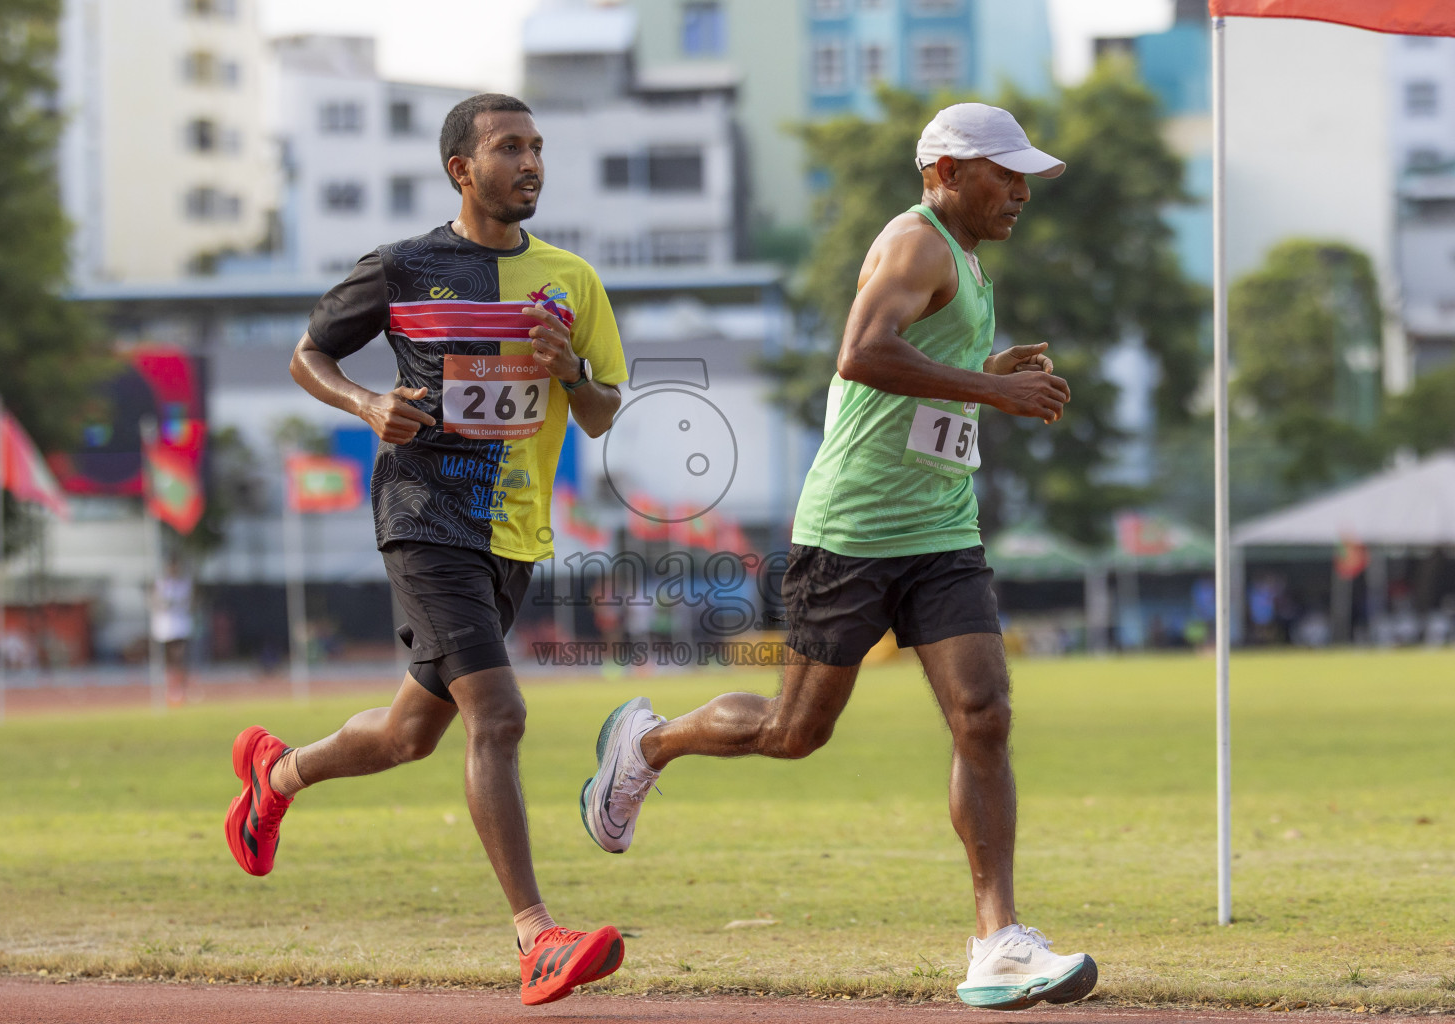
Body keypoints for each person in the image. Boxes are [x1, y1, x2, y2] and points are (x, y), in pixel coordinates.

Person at [580, 103, 1097, 1011]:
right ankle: (648, 743)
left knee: (983, 715)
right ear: (942, 170)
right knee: (795, 731)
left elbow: (921, 375)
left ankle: (997, 942)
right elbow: (862, 353)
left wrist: (987, 372)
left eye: (1025, 175)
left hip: (940, 530)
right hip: (853, 532)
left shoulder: (965, 261)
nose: (1020, 191)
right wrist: (994, 391)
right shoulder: (917, 241)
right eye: (1002, 172)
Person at [224, 93, 629, 1007]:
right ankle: (536, 937)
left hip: (514, 533)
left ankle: (274, 776)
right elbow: (306, 356)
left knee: (413, 733)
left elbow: (604, 414)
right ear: (462, 170)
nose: (530, 163)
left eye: (537, 147)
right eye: (508, 149)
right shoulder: (405, 267)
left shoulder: (573, 279)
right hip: (423, 516)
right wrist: (368, 404)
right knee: (501, 715)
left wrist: (571, 371)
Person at [150, 556, 193, 705]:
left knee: (179, 658)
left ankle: (182, 690)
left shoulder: (183, 585)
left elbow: (188, 603)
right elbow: (155, 602)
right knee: (168, 660)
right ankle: (170, 689)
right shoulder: (162, 584)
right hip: (165, 628)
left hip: (180, 627)